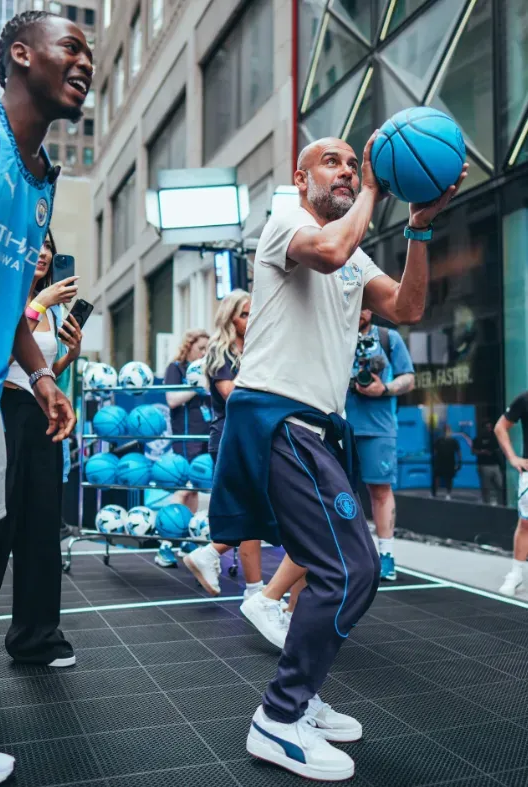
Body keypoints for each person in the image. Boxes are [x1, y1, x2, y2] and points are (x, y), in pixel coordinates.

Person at [208, 133, 466, 781]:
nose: (349, 170)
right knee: (350, 566)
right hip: (277, 415)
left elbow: (407, 306)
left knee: (347, 565)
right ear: (302, 179)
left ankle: (300, 695)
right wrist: (379, 188)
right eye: (335, 162)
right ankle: (279, 716)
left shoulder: (354, 252)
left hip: (314, 425)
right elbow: (328, 251)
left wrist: (420, 227)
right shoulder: (290, 223)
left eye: (356, 164)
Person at [0, 9, 91, 784]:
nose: (85, 60)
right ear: (19, 53)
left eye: (89, 51)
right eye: (72, 46)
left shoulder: (39, 183)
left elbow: (5, 306)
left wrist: (41, 376)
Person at [0, 230, 83, 697]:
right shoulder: (6, 292)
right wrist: (40, 303)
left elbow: (40, 371)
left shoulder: (52, 313)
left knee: (41, 531)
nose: (44, 251)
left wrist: (68, 355)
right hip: (0, 415)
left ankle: (35, 638)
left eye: (48, 244)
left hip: (41, 418)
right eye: (35, 243)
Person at [182, 290, 264, 599]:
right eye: (244, 314)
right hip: (231, 439)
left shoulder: (255, 347)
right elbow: (234, 396)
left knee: (253, 509)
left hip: (253, 437)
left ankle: (252, 588)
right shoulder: (220, 351)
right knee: (253, 509)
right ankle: (213, 556)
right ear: (229, 318)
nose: (251, 318)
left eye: (253, 313)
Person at [344, 309, 415, 580]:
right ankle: (348, 553)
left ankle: (386, 555)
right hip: (340, 424)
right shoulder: (335, 334)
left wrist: (383, 389)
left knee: (380, 490)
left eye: (364, 304)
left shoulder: (389, 338)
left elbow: (408, 378)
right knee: (340, 491)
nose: (359, 310)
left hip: (379, 427)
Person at [156, 330, 211, 567]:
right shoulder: (176, 368)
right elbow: (171, 400)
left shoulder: (208, 370)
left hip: (205, 435)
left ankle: (186, 537)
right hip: (185, 437)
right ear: (188, 348)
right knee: (182, 488)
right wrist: (196, 387)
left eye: (208, 349)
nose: (205, 354)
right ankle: (164, 543)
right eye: (201, 349)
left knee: (194, 489)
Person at [495, 395, 528, 596]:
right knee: (526, 523)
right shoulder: (525, 399)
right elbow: (500, 427)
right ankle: (516, 574)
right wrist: (513, 458)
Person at [472, 420, 503, 505]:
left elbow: (498, 449)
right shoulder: (478, 439)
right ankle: (487, 501)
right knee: (486, 485)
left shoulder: (494, 438)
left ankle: (500, 501)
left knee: (500, 484)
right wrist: (483, 452)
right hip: (484, 465)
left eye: (490, 427)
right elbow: (473, 451)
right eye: (487, 427)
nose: (489, 429)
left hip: (495, 464)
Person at [432, 425, 462, 500]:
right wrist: (434, 461)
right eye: (445, 430)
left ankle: (448, 493)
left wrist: (459, 462)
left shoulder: (453, 441)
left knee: (449, 478)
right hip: (440, 462)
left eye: (448, 430)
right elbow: (434, 451)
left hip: (450, 462)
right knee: (436, 477)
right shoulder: (439, 440)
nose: (446, 432)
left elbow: (458, 452)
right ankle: (434, 493)